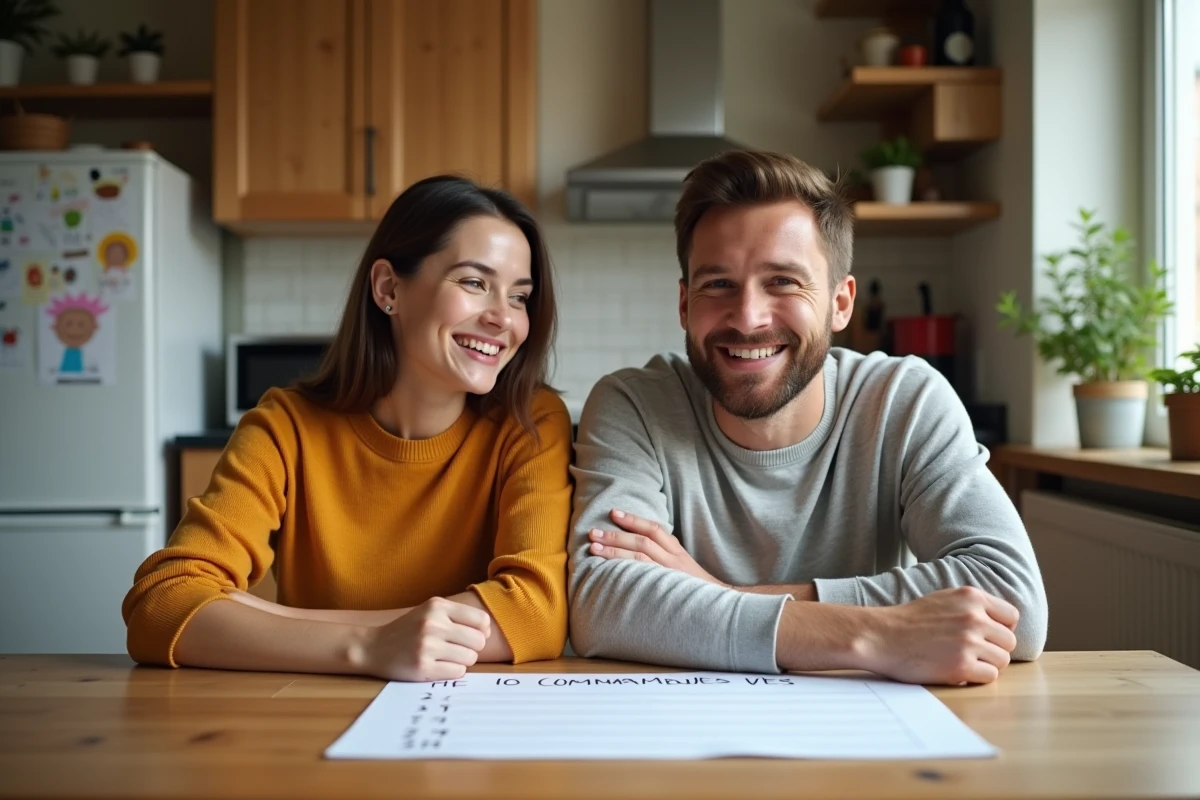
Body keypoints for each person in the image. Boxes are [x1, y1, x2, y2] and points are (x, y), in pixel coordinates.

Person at [568, 150, 1048, 685]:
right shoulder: (632, 405)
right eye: (718, 285)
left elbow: (1014, 606)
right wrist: (872, 634)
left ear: (840, 303)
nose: (748, 317)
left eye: (783, 282)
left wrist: (718, 598)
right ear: (684, 304)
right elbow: (600, 605)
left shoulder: (903, 401)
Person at [123, 176, 573, 681]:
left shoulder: (530, 422)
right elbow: (162, 606)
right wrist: (368, 646)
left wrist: (281, 621)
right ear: (388, 289)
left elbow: (534, 613)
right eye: (474, 283)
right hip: (308, 717)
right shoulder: (286, 426)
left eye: (519, 297)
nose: (502, 319)